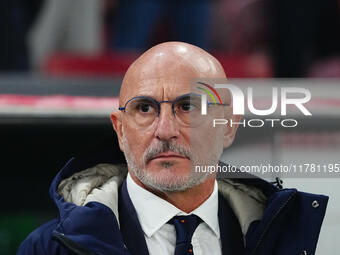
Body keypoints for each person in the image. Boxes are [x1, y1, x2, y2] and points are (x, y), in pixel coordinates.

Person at [17, 42, 328, 255]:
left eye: (189, 106)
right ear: (120, 129)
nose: (165, 130)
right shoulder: (48, 248)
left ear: (229, 125)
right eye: (144, 109)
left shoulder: (295, 239)